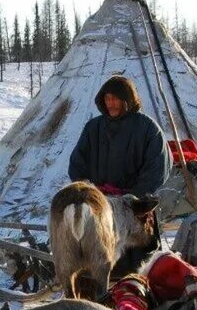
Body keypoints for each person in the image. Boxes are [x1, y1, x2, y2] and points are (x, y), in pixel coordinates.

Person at [68, 75, 171, 274]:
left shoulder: (148, 128)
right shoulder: (94, 128)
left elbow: (158, 166)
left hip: (133, 209)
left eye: (115, 99)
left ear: (128, 100)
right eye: (107, 99)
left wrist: (130, 199)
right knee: (97, 265)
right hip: (101, 206)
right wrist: (91, 193)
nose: (111, 104)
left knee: (136, 269)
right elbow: (77, 163)